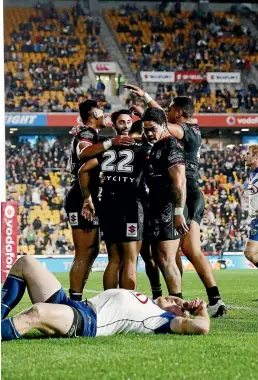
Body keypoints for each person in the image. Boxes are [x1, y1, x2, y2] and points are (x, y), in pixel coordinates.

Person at [124, 84, 227, 318]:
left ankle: (192, 299)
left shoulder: (181, 131)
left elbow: (160, 122)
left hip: (185, 192)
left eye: (170, 109)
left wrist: (145, 108)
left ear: (178, 113)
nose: (166, 110)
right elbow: (158, 121)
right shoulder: (191, 130)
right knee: (185, 250)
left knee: (180, 251)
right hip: (189, 191)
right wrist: (146, 104)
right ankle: (209, 299)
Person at [1, 256, 210, 341]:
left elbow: (201, 327)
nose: (174, 300)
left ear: (177, 314)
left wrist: (199, 310)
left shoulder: (161, 320)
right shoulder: (151, 302)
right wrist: (182, 304)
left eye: (177, 305)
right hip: (72, 306)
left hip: (86, 321)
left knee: (37, 312)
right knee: (26, 263)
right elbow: (169, 297)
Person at [64, 100, 132, 301]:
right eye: (102, 112)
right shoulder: (86, 133)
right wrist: (112, 143)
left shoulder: (89, 133)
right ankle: (74, 302)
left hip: (87, 196)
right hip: (81, 198)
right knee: (84, 252)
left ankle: (76, 299)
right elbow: (83, 152)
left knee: (91, 251)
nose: (104, 115)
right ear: (94, 113)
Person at [78, 115, 150, 291]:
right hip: (130, 206)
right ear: (115, 125)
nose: (125, 125)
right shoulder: (140, 149)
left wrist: (87, 196)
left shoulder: (106, 149)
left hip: (108, 204)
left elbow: (83, 169)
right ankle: (127, 307)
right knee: (131, 260)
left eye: (128, 122)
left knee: (114, 259)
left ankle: (109, 302)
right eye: (122, 122)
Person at [141, 107, 188, 299]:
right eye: (146, 129)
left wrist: (178, 212)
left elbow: (180, 181)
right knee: (158, 257)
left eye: (152, 129)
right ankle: (166, 300)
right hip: (155, 205)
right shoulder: (156, 146)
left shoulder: (171, 146)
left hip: (169, 207)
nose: (149, 133)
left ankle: (179, 303)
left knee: (167, 258)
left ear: (163, 126)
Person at [244, 145, 258, 271]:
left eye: (248, 154)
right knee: (250, 254)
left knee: (249, 253)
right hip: (255, 219)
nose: (245, 156)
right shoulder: (253, 174)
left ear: (256, 156)